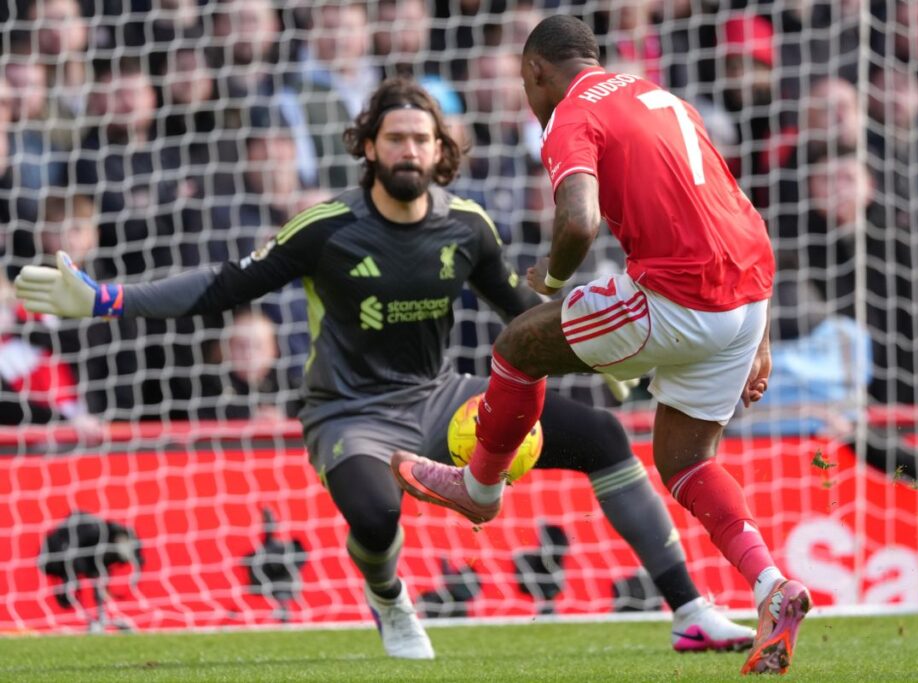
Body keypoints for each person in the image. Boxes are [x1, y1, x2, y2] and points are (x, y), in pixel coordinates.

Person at [14, 78, 753, 660]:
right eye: (394, 137)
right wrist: (105, 298)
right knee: (374, 515)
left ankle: (690, 610)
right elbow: (224, 285)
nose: (408, 150)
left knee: (602, 436)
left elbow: (515, 307)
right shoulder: (327, 227)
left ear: (440, 152)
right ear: (368, 146)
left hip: (442, 397)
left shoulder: (467, 224)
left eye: (421, 139)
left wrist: (602, 355)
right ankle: (391, 597)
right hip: (349, 413)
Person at [391, 16, 811, 675]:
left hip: (679, 297)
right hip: (746, 294)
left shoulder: (568, 115)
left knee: (516, 347)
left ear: (535, 71)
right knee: (684, 460)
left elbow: (580, 220)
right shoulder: (659, 96)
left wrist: (551, 278)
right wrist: (755, 331)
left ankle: (479, 484)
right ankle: (771, 585)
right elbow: (735, 205)